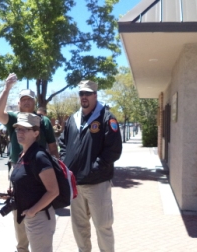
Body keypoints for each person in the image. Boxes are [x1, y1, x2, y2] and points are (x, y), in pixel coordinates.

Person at [0, 73, 58, 252]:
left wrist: (56, 172)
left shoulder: (43, 121)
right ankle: (22, 248)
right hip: (18, 168)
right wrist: (7, 88)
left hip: (40, 170)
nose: (26, 102)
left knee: (38, 209)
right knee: (19, 210)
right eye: (23, 99)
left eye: (29, 99)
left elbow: (53, 148)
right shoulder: (14, 119)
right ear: (19, 102)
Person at [59, 80, 122, 252]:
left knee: (103, 226)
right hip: (76, 185)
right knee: (79, 228)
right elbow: (63, 143)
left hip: (98, 183)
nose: (84, 97)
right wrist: (67, 163)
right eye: (81, 93)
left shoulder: (107, 118)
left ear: (95, 95)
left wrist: (93, 169)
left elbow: (113, 151)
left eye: (88, 93)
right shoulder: (73, 119)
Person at [2, 112, 58, 252]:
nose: (19, 132)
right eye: (17, 129)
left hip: (40, 218)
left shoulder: (39, 156)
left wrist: (32, 211)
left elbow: (53, 191)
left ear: (35, 133)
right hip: (30, 216)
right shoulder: (23, 154)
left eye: (24, 129)